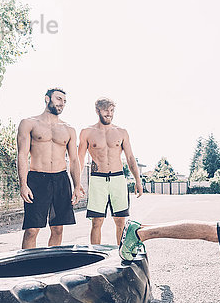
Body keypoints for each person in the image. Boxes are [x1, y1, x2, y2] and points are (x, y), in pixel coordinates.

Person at [16, 88, 83, 249]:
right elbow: (22, 155)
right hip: (37, 179)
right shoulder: (29, 123)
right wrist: (23, 184)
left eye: (64, 101)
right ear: (47, 99)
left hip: (60, 179)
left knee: (58, 228)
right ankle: (27, 267)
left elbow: (74, 160)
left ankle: (52, 265)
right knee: (32, 229)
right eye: (59, 99)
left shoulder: (69, 129)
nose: (62, 104)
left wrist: (77, 186)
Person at [78, 97, 143, 246]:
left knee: (120, 221)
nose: (109, 113)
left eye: (112, 110)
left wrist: (138, 181)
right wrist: (77, 182)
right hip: (97, 179)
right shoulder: (87, 132)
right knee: (96, 221)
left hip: (118, 179)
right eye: (106, 110)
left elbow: (130, 157)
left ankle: (121, 255)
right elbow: (79, 158)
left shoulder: (121, 132)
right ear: (97, 111)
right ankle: (95, 255)